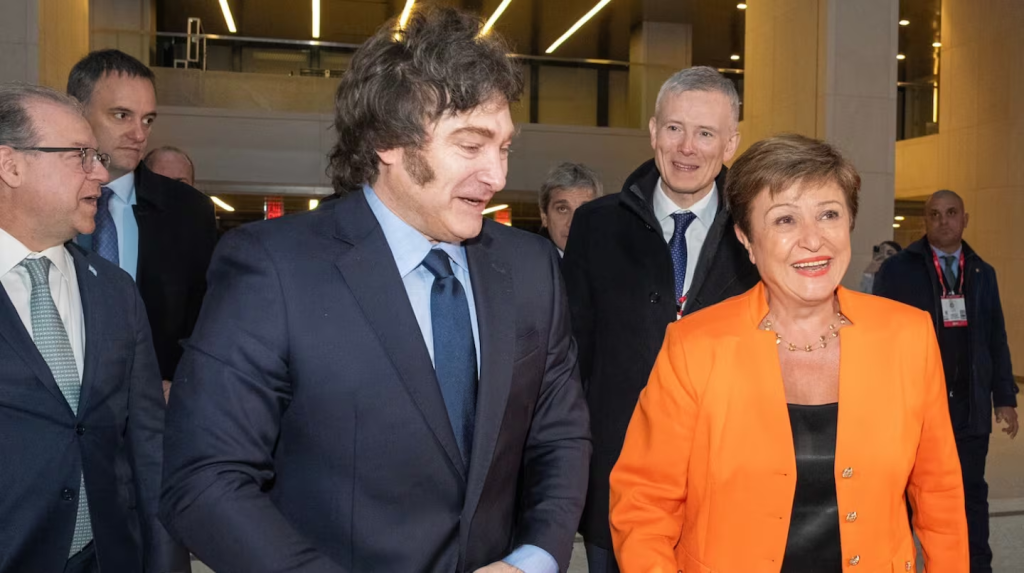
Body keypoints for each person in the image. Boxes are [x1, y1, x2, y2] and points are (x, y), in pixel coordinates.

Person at [159, 7, 590, 573]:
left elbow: (561, 437)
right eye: (471, 145)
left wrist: (531, 560)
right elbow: (204, 479)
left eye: (504, 147)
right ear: (389, 140)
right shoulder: (274, 268)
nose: (498, 176)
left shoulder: (531, 267)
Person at [609, 134, 968, 573]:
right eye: (784, 220)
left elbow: (939, 495)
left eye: (829, 214)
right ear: (746, 239)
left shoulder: (907, 336)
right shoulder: (694, 346)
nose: (813, 240)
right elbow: (643, 504)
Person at [561, 66, 759, 571]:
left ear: (730, 144)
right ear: (653, 132)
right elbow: (570, 362)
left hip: (726, 483)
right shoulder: (596, 227)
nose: (687, 147)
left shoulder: (760, 233)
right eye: (675, 128)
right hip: (617, 483)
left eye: (706, 133)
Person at [0, 84, 189, 573]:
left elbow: (148, 448)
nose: (101, 174)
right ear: (10, 165)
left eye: (98, 158)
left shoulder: (115, 291)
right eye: (80, 156)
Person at [874, 189, 1018, 573]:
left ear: (964, 220)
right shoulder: (898, 271)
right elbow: (880, 338)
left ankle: (976, 565)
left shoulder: (982, 273)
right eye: (935, 214)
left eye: (951, 213)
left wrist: (1005, 396)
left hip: (970, 409)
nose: (943, 221)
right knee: (906, 495)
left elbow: (996, 337)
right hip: (917, 410)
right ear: (926, 220)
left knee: (970, 494)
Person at [67, 50, 217, 401]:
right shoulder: (35, 198)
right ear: (76, 111)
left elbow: (208, 314)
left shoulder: (189, 211)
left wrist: (184, 382)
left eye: (148, 120)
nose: (139, 134)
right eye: (122, 115)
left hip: (153, 412)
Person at [537, 162, 602, 255]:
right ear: (544, 217)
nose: (572, 223)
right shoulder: (526, 262)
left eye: (585, 209)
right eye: (562, 209)